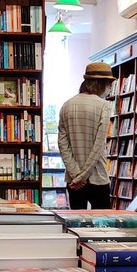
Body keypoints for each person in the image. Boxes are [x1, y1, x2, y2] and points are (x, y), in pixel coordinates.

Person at [57, 61, 114, 209]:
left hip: (73, 180)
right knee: (103, 227)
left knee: (76, 225)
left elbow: (63, 145)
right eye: (109, 84)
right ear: (101, 83)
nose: (109, 88)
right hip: (98, 177)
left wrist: (76, 175)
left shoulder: (67, 105)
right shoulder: (104, 106)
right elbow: (98, 146)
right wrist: (83, 176)